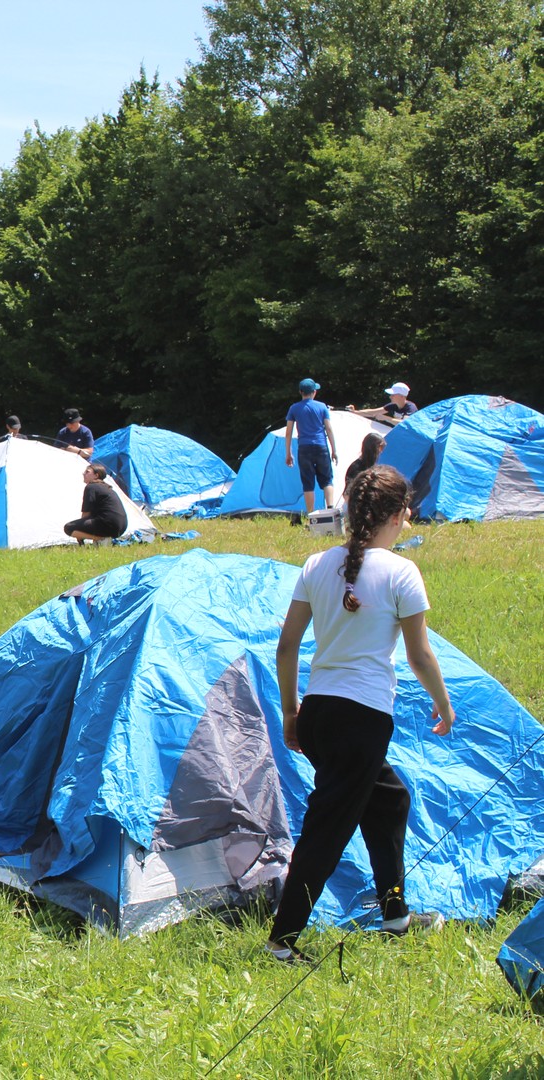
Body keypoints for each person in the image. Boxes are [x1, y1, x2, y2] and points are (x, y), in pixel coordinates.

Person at [266, 466, 453, 963]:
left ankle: (395, 914)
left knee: (389, 801)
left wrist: (290, 714)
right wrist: (443, 702)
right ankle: (281, 943)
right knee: (326, 830)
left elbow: (287, 648)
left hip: (320, 714)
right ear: (396, 516)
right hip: (360, 722)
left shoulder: (315, 563)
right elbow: (419, 655)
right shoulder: (400, 571)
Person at [284, 378, 339, 516]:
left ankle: (311, 514)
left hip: (304, 448)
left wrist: (288, 453)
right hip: (321, 446)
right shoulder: (322, 407)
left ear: (300, 392)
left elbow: (288, 432)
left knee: (308, 482)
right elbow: (329, 429)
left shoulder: (294, 408)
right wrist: (334, 450)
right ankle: (330, 509)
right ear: (314, 392)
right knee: (327, 479)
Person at [64, 463, 128, 543]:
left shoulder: (91, 487)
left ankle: (100, 538)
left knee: (68, 528)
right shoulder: (106, 487)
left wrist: (80, 530)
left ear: (96, 475)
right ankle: (101, 540)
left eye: (87, 472)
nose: (83, 473)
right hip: (122, 527)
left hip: (108, 525)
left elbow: (86, 513)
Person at [348, 382, 419, 427]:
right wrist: (354, 412)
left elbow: (404, 424)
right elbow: (373, 412)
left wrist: (385, 418)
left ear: (402, 396)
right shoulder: (393, 405)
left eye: (393, 395)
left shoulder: (411, 407)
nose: (390, 396)